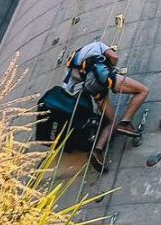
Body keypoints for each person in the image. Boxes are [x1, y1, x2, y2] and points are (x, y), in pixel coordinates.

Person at [63, 40, 149, 168]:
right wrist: (112, 68)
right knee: (143, 91)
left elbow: (66, 90)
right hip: (103, 76)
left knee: (112, 121)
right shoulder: (97, 45)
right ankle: (125, 122)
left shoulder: (71, 67)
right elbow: (114, 57)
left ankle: (97, 151)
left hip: (92, 88)